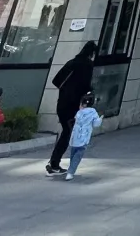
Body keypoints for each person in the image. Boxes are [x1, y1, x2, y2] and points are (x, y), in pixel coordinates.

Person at [47, 41, 98, 175]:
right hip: (73, 106)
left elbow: (56, 80)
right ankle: (54, 164)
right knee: (67, 134)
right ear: (92, 53)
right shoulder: (87, 65)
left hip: (62, 103)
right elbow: (86, 85)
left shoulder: (72, 62)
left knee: (66, 131)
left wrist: (66, 90)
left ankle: (54, 162)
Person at [65, 91, 102, 180]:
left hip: (75, 137)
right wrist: (100, 119)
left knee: (73, 154)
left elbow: (75, 121)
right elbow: (96, 124)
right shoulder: (93, 112)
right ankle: (70, 172)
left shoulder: (79, 112)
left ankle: (71, 169)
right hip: (84, 138)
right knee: (78, 155)